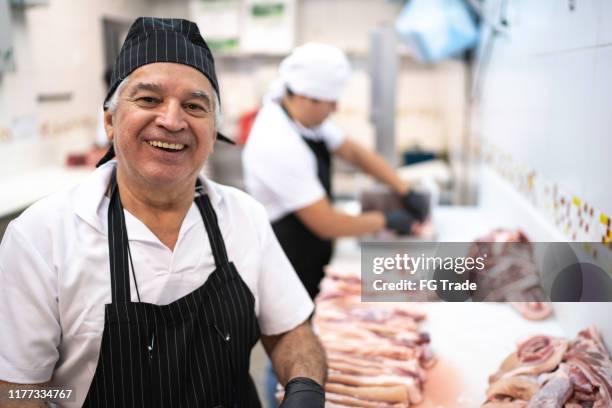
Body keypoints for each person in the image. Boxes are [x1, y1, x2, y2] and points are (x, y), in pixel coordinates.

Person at [0, 18, 326, 407]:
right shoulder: (42, 237)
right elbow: (18, 389)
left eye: (194, 106)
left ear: (213, 130)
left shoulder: (243, 216)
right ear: (109, 119)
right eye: (149, 99)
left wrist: (305, 386)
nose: (172, 121)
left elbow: (291, 330)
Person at [242, 42, 430, 301]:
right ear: (307, 98)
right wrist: (387, 220)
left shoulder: (302, 118)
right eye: (331, 102)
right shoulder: (277, 141)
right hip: (288, 259)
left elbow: (353, 153)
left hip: (311, 247)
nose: (336, 109)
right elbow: (326, 223)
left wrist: (403, 188)